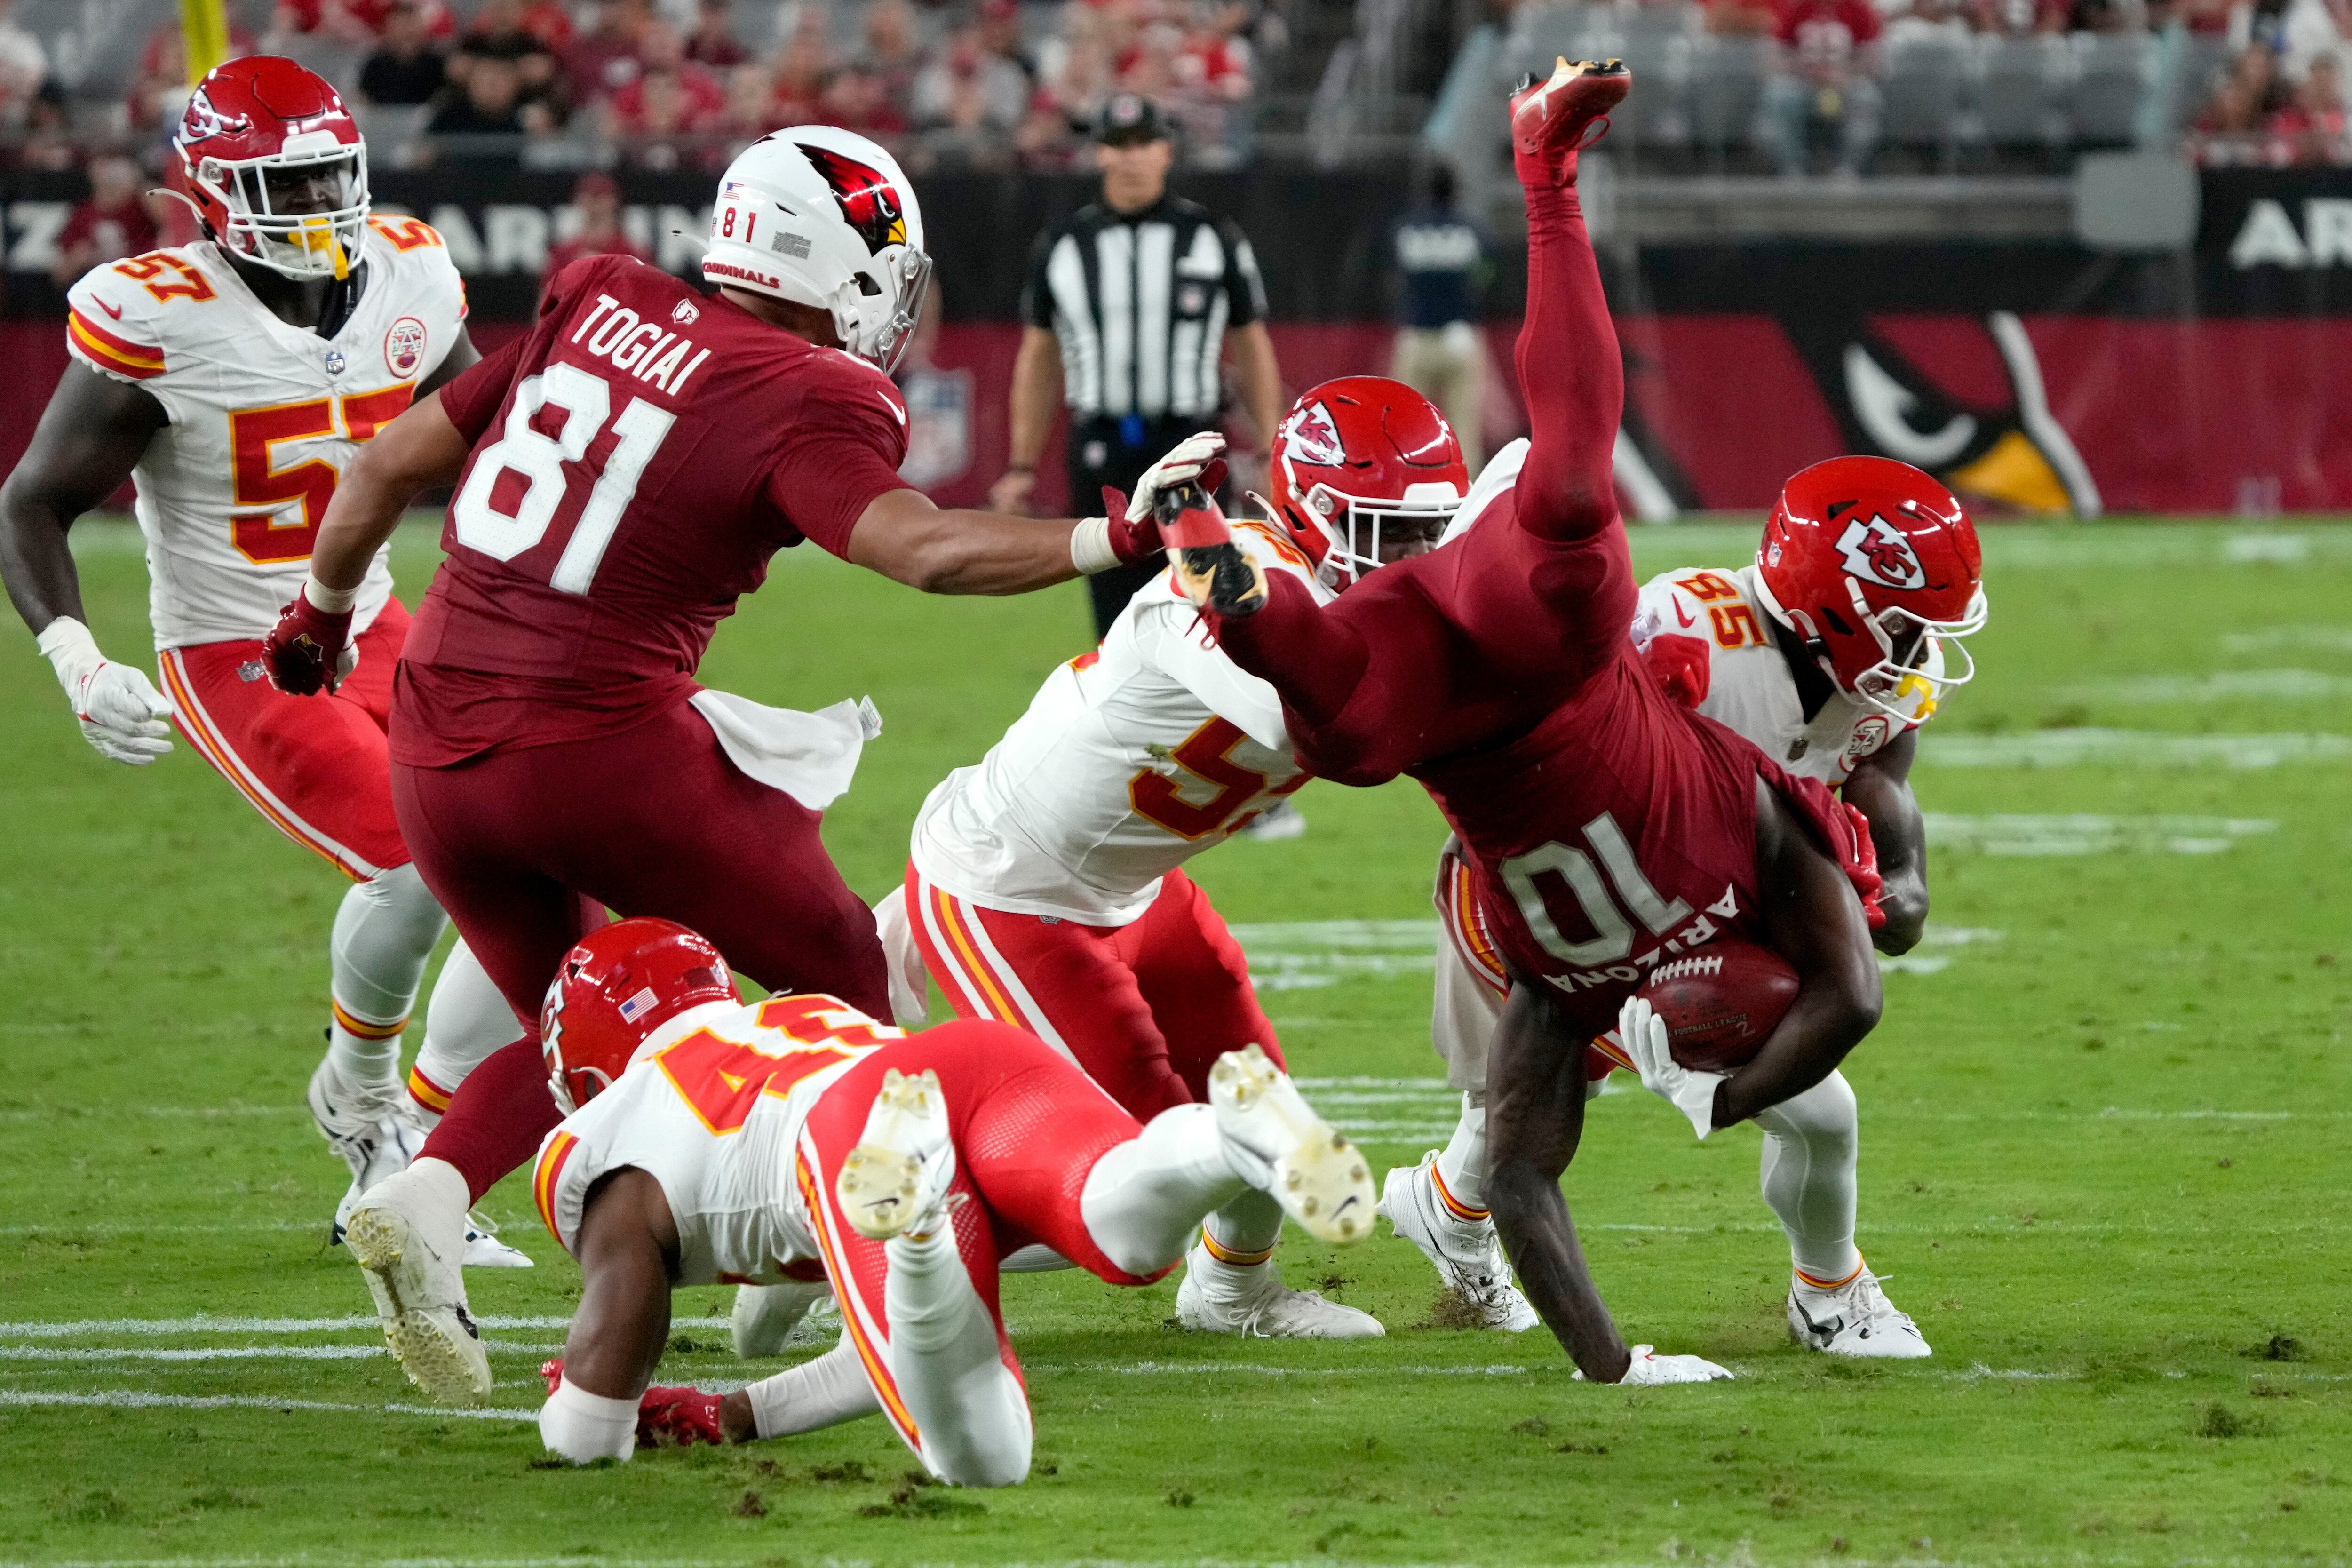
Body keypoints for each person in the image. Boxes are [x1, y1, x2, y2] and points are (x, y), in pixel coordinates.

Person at [266, 127, 1197, 1400]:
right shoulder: (811, 389)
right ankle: (865, 1241)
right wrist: (1117, 531)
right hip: (599, 741)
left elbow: (383, 463)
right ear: (843, 263)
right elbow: (919, 550)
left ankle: (426, 1190)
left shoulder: (601, 294)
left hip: (436, 741)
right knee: (838, 962)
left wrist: (317, 619)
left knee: (584, 1036)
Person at [1170, 60, 1896, 1386]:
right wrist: (1722, 1097)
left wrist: (1617, 1365)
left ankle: (1202, 550)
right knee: (1562, 490)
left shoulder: (1553, 961)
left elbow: (1520, 1175)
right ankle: (1546, 180)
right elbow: (1856, 981)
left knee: (1345, 720)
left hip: (1460, 737)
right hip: (1538, 657)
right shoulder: (1765, 828)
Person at [0, 58, 522, 1255]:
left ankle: (436, 1146)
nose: (324, 206)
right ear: (215, 196)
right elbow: (30, 500)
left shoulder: (407, 269)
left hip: (376, 620)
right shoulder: (158, 315)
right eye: (291, 185)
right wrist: (79, 659)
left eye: (335, 174)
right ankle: (364, 1107)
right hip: (236, 643)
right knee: (408, 864)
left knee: (530, 852)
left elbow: (481, 435)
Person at [888, 378, 1468, 1337]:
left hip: (1132, 883)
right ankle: (857, 1221)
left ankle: (1234, 1290)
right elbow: (1336, 732)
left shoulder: (1323, 585)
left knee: (1260, 1099)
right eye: (1389, 531)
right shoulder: (1221, 585)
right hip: (1015, 886)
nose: (1416, 558)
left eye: (1429, 531)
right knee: (1145, 1176)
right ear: (1317, 515)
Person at [1393, 453, 1982, 1351]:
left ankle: (1447, 1206)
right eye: (1905, 627)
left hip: (1699, 895)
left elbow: (1890, 838)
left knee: (1543, 1111)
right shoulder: (1683, 634)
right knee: (1556, 1098)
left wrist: (1880, 878)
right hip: (1569, 883)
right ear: (1834, 608)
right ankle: (1829, 1295)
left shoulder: (1871, 694)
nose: (1923, 654)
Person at [496, 918, 1376, 1468]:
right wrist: (733, 1414)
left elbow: (588, 1436)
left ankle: (923, 1231)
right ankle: (1228, 1133)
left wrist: (585, 1403)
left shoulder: (605, 1144)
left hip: (851, 1134)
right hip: (956, 1061)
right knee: (1127, 1232)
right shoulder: (791, 1018)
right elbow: (844, 1326)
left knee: (982, 1450)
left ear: (584, 1070)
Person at [990, 93, 1283, 639]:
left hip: (1189, 442)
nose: (1129, 158)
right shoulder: (1063, 243)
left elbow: (1250, 345)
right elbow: (1038, 357)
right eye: (1116, 145)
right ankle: (1128, 718)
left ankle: (1203, 720)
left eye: (1142, 143)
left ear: (1165, 151)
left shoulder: (1212, 237)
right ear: (1098, 155)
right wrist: (1022, 464)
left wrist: (1269, 444)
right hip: (1100, 445)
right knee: (1113, 615)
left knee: (1209, 606)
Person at [1387, 164, 1490, 476]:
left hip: (1416, 337)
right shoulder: (1472, 231)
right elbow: (1487, 275)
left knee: (1400, 427)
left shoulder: (1406, 229)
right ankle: (1468, 500)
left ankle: (1399, 488)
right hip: (1459, 336)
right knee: (1465, 432)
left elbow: (1393, 277)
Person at [1761, 0, 1886, 178]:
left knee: (1866, 97)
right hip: (1801, 83)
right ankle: (1792, 171)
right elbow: (1773, 57)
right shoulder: (1793, 6)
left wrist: (1845, 74)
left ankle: (1849, 171)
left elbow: (1875, 60)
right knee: (1778, 95)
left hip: (1847, 82)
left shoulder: (1860, 8)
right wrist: (1803, 72)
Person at [48, 155, 159, 286]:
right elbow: (60, 274)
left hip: (143, 282)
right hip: (103, 288)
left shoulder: (141, 207)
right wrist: (77, 260)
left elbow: (172, 222)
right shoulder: (84, 214)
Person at [540, 171, 649, 298]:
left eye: (601, 196)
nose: (595, 203)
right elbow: (546, 301)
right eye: (589, 196)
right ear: (578, 200)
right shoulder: (564, 253)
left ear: (614, 201)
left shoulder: (632, 253)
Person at [358, 2, 450, 107]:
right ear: (389, 29)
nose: (406, 32)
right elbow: (365, 99)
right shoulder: (375, 66)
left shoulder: (436, 64)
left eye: (410, 25)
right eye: (401, 26)